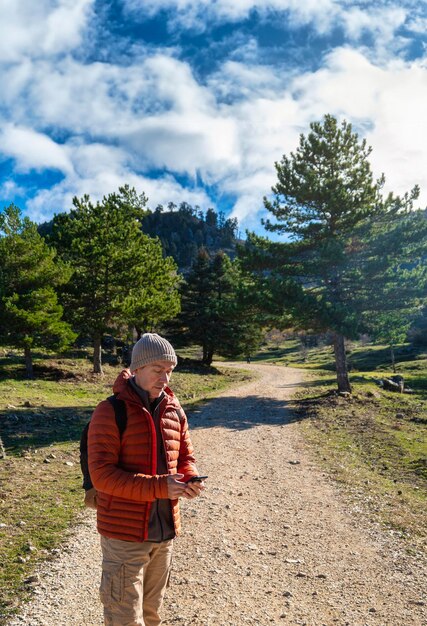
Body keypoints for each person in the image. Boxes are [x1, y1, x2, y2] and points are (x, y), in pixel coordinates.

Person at [87, 333, 205, 626]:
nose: (164, 378)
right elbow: (102, 475)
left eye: (169, 371)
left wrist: (190, 479)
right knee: (123, 618)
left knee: (151, 615)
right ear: (137, 368)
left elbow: (185, 458)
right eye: (157, 370)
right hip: (124, 535)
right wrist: (160, 486)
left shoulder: (175, 409)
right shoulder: (110, 411)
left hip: (164, 533)